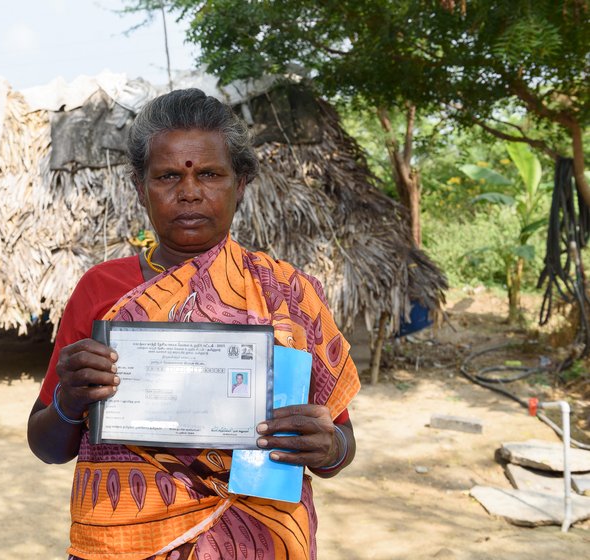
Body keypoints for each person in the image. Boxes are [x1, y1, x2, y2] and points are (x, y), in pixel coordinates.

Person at [27, 88, 360, 560]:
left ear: (239, 183)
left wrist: (328, 448)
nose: (189, 192)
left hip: (262, 541)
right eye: (166, 176)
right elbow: (47, 447)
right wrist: (69, 399)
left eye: (209, 174)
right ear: (140, 187)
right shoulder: (101, 290)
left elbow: (340, 448)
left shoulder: (288, 293)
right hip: (123, 544)